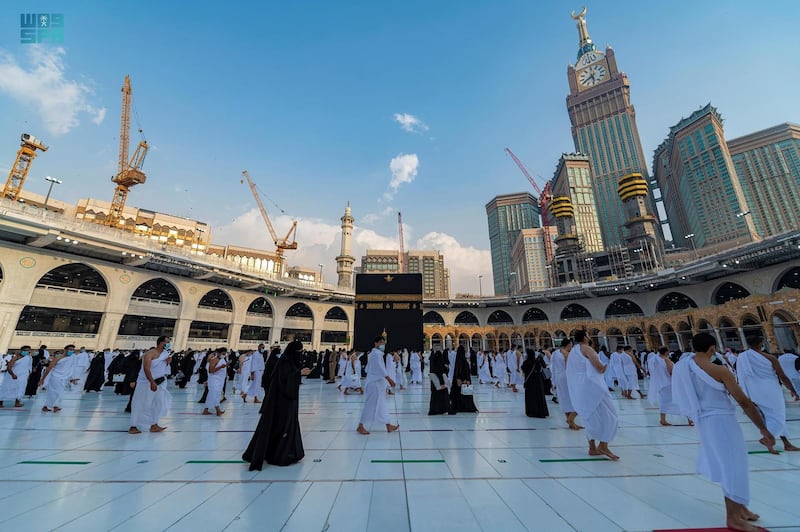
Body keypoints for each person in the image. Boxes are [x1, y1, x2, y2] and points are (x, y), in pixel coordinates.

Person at [672, 332, 773, 532]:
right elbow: (743, 401)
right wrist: (762, 428)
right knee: (733, 466)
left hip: (704, 422)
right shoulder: (719, 370)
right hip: (722, 421)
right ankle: (733, 518)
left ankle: (741, 508)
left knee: (727, 463)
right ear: (712, 348)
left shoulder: (684, 366)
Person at [242, 341, 311, 470]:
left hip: (288, 400)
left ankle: (291, 452)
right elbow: (284, 381)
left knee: (288, 426)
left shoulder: (287, 360)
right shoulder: (284, 361)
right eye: (299, 352)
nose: (300, 354)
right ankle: (279, 454)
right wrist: (299, 373)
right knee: (281, 426)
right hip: (281, 402)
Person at [736, 336, 800, 453]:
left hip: (754, 391)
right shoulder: (770, 358)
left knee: (769, 416)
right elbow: (783, 377)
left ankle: (786, 443)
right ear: (761, 343)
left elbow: (741, 376)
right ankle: (767, 439)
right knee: (779, 416)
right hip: (771, 390)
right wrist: (793, 390)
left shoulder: (743, 357)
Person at [566, 331, 619, 460]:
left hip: (580, 388)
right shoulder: (587, 349)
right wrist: (607, 366)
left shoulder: (573, 351)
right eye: (588, 335)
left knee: (590, 416)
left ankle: (592, 448)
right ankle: (603, 445)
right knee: (611, 415)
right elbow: (599, 367)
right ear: (585, 337)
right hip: (593, 387)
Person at [128, 336, 172, 434]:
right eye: (167, 342)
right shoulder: (149, 354)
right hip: (146, 382)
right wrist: (152, 381)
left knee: (158, 404)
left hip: (160, 382)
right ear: (161, 343)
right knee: (141, 404)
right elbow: (146, 369)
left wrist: (168, 362)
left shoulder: (165, 354)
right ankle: (133, 426)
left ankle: (154, 424)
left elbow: (164, 367)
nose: (169, 344)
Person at [357, 336, 399, 435]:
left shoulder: (376, 354)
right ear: (375, 343)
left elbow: (368, 369)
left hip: (377, 383)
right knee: (370, 405)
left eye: (383, 343)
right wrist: (389, 380)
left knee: (382, 405)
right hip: (374, 384)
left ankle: (388, 425)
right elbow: (380, 369)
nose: (382, 345)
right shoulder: (375, 354)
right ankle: (360, 425)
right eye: (380, 342)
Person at [648, 347, 690, 426]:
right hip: (669, 383)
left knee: (664, 401)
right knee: (681, 399)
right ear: (666, 352)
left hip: (661, 384)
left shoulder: (654, 360)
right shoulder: (666, 360)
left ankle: (662, 419)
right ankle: (689, 418)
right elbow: (671, 371)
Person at [550, 339, 581, 429]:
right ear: (568, 345)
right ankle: (570, 419)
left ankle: (571, 423)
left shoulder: (556, 353)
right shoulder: (567, 354)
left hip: (558, 377)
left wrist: (553, 381)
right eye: (570, 345)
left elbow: (554, 367)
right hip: (566, 376)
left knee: (564, 398)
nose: (571, 347)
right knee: (575, 398)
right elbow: (569, 367)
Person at [39, 345, 76, 412]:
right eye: (70, 349)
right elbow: (48, 369)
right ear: (65, 350)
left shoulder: (72, 358)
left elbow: (70, 369)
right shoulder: (58, 358)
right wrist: (42, 379)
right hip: (55, 377)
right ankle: (53, 406)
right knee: (54, 393)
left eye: (73, 350)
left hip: (64, 378)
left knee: (60, 392)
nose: (71, 351)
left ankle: (49, 406)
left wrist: (71, 378)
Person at [521, 348, 549, 418]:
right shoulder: (537, 361)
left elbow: (523, 369)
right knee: (539, 396)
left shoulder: (526, 362)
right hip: (538, 381)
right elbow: (544, 366)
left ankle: (532, 411)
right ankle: (541, 411)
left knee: (531, 397)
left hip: (530, 382)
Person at [449, 345, 478, 413]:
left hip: (459, 380)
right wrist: (465, 379)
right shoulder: (462, 360)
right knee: (465, 394)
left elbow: (458, 371)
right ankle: (465, 407)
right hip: (463, 380)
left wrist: (457, 378)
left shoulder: (458, 360)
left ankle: (459, 407)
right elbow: (463, 371)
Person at [203, 348, 228, 416]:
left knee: (211, 395)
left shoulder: (222, 360)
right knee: (215, 394)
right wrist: (220, 367)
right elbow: (211, 370)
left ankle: (206, 410)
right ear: (219, 353)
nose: (224, 355)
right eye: (223, 353)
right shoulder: (214, 360)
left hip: (220, 380)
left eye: (224, 354)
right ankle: (218, 410)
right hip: (214, 380)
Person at [428, 350, 451, 415]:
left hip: (435, 384)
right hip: (441, 383)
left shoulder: (433, 365)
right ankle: (443, 409)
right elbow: (444, 373)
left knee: (435, 397)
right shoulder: (441, 364)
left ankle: (435, 409)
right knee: (443, 397)